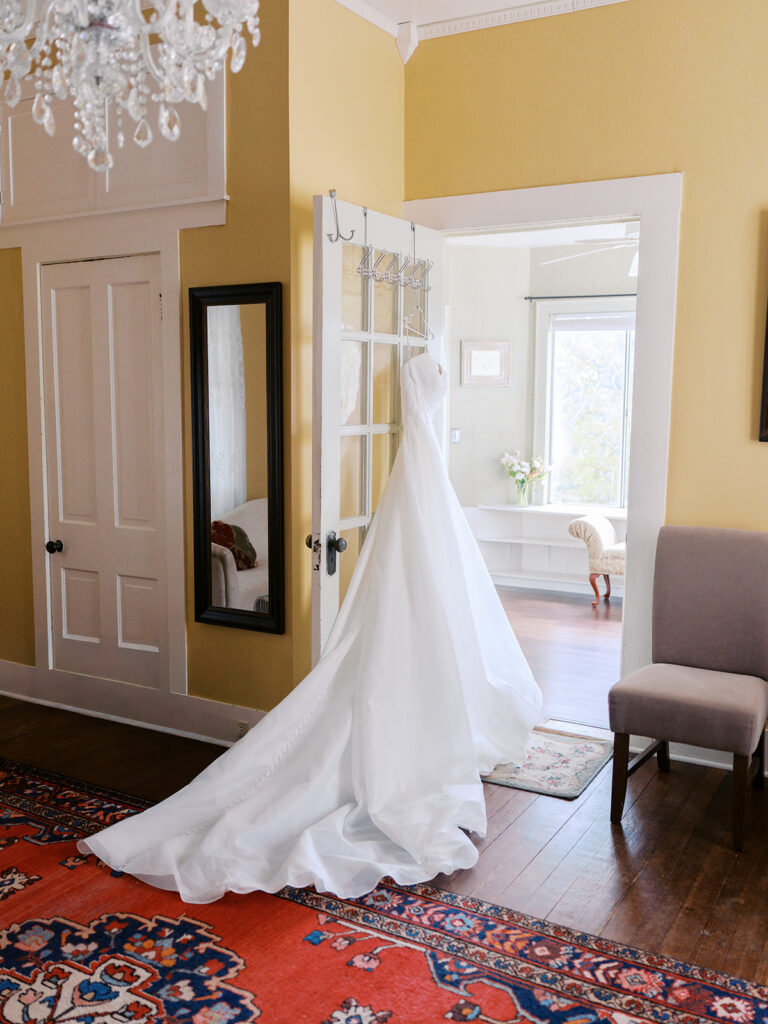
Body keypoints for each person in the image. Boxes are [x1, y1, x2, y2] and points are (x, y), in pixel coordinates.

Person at [78, 352, 543, 902]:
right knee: (404, 610)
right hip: (415, 484)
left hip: (424, 483)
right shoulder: (416, 368)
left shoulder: (421, 364)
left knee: (435, 601)